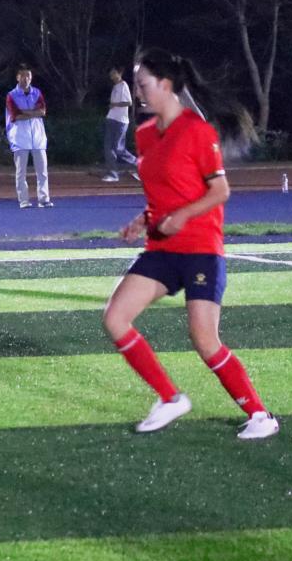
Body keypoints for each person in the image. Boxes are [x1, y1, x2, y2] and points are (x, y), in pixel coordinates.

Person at [102, 48, 279, 440]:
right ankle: (170, 398)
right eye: (137, 85)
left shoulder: (198, 131)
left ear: (166, 85)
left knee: (204, 340)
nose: (138, 92)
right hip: (162, 249)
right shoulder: (145, 134)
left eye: (144, 84)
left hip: (200, 248)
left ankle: (260, 415)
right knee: (115, 318)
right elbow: (165, 192)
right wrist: (143, 220)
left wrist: (182, 216)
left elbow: (220, 191)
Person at [5, 64, 51, 208]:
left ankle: (44, 199)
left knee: (42, 171)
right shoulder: (11, 95)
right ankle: (23, 200)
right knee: (21, 173)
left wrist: (25, 112)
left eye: (28, 76)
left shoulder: (37, 92)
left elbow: (42, 111)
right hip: (19, 138)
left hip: (38, 137)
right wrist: (33, 113)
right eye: (23, 76)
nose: (26, 79)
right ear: (17, 77)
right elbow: (15, 115)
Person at [102, 67, 140, 183]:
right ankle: (113, 174)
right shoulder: (115, 87)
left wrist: (115, 104)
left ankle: (139, 164)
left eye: (114, 73)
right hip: (111, 119)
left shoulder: (123, 85)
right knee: (108, 148)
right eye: (110, 74)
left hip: (121, 121)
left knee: (118, 148)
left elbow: (129, 102)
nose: (111, 76)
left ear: (120, 73)